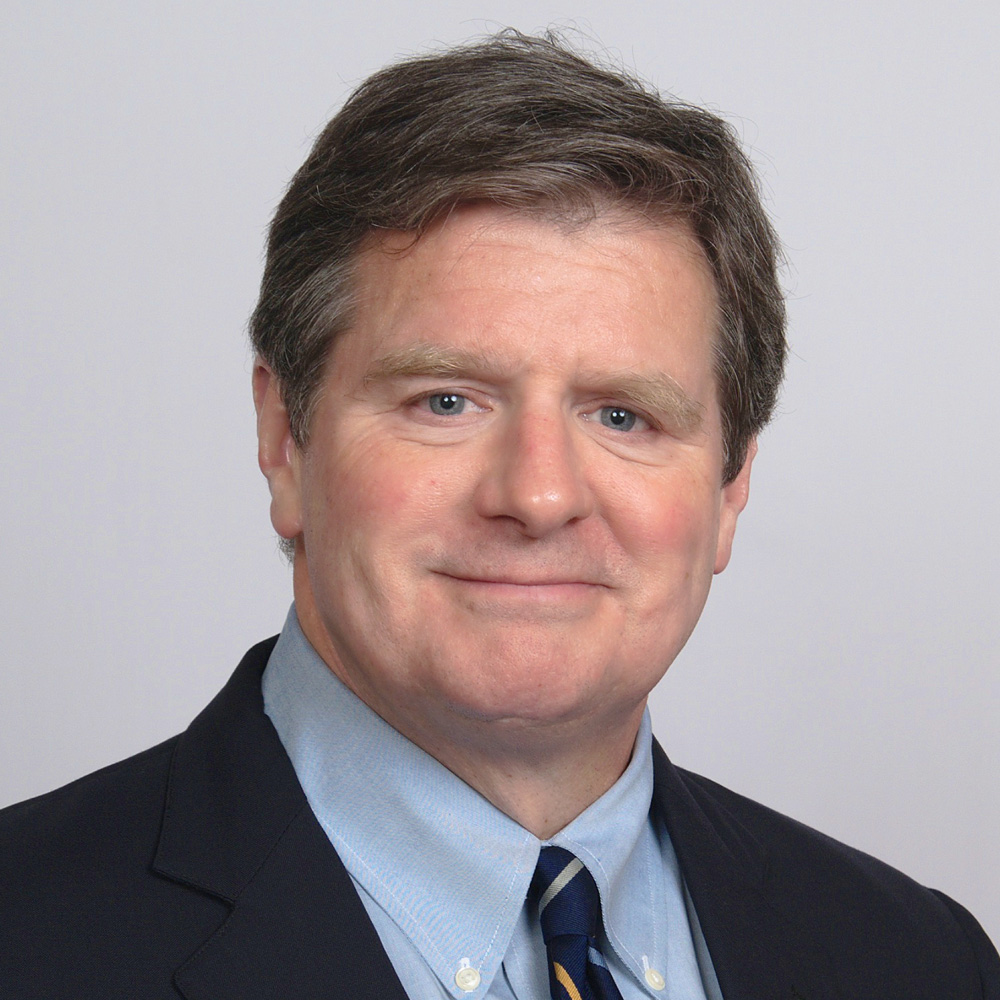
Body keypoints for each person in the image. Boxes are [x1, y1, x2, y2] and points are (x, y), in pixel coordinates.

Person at [1, 31, 997, 1000]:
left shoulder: (922, 962)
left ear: (729, 486)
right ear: (285, 439)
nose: (538, 496)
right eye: (446, 401)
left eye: (623, 415)